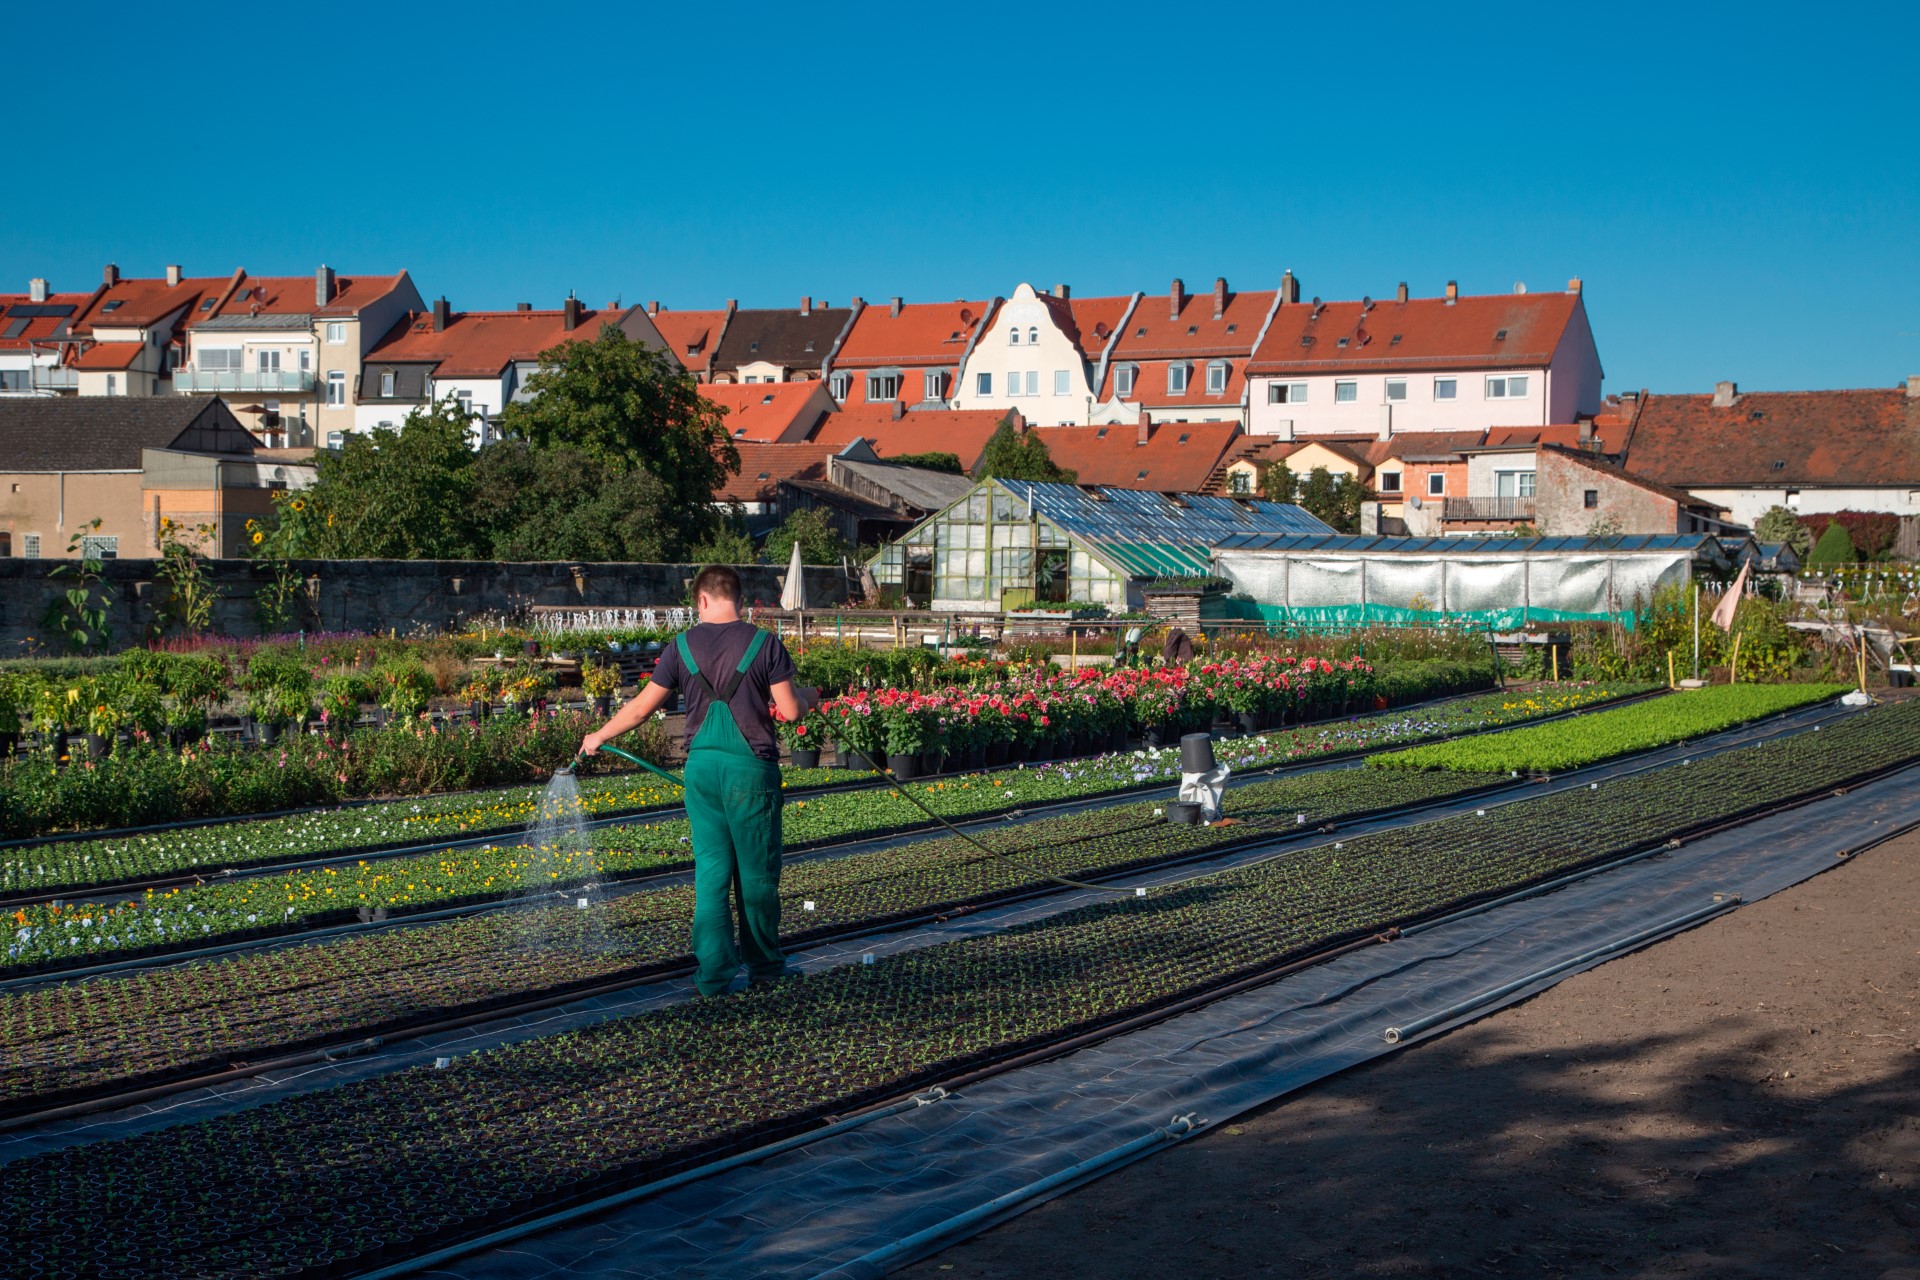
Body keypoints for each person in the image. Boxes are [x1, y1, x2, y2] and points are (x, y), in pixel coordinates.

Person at [579, 565, 817, 997]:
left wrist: (598, 737)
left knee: (711, 873)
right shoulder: (765, 644)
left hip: (701, 773)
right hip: (750, 772)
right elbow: (792, 710)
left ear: (702, 600)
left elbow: (640, 709)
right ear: (738, 600)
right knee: (757, 876)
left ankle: (712, 977)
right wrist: (813, 697)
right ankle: (763, 969)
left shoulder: (680, 647)